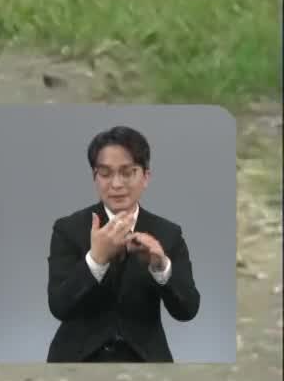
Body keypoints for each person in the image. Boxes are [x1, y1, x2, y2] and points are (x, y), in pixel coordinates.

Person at [45, 125, 200, 361]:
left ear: (146, 177)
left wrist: (161, 266)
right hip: (77, 359)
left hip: (146, 359)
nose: (116, 184)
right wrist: (95, 260)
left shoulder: (167, 233)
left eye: (128, 172)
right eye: (105, 173)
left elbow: (188, 311)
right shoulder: (68, 229)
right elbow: (59, 306)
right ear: (94, 177)